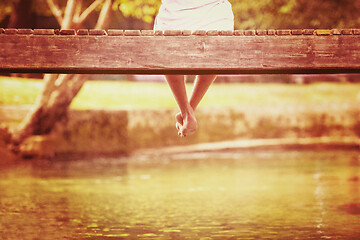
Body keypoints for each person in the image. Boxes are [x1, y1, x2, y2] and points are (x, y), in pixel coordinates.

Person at [154, 0, 234, 137]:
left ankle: (187, 112)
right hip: (215, 17)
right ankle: (188, 111)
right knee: (215, 52)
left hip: (177, 18)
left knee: (167, 50)